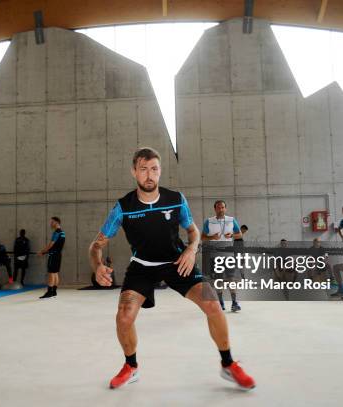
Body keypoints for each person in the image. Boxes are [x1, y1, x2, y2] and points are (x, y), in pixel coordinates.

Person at [88, 147, 255, 390]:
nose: (149, 175)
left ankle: (228, 364)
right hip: (142, 266)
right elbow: (97, 244)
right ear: (134, 172)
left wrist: (191, 249)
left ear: (160, 171)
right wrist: (97, 265)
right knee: (124, 317)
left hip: (177, 262)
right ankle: (131, 366)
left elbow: (194, 231)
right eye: (143, 169)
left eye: (154, 169)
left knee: (212, 304)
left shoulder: (176, 199)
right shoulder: (124, 207)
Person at [202, 200, 243, 312]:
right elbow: (202, 237)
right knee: (218, 279)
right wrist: (211, 238)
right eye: (219, 208)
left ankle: (234, 302)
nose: (221, 209)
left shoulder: (231, 220)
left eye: (223, 207)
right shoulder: (209, 221)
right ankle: (220, 302)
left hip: (229, 255)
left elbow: (239, 234)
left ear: (226, 208)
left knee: (231, 278)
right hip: (215, 256)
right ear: (215, 209)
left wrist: (232, 235)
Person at [37, 217, 65, 298]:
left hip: (53, 255)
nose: (51, 223)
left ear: (56, 222)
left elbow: (51, 245)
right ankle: (54, 291)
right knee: (55, 273)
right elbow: (57, 246)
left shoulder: (56, 232)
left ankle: (49, 292)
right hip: (58, 255)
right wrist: (45, 252)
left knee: (51, 273)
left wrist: (42, 251)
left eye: (52, 222)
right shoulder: (62, 232)